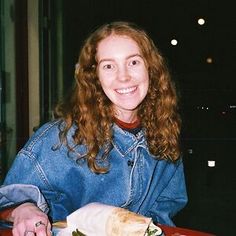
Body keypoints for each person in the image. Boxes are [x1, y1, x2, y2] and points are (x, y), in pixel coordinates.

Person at [0, 21, 187, 235]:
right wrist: (23, 209)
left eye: (133, 62)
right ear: (94, 77)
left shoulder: (165, 131)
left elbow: (167, 205)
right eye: (108, 66)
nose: (123, 76)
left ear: (151, 68)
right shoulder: (60, 138)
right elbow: (7, 201)